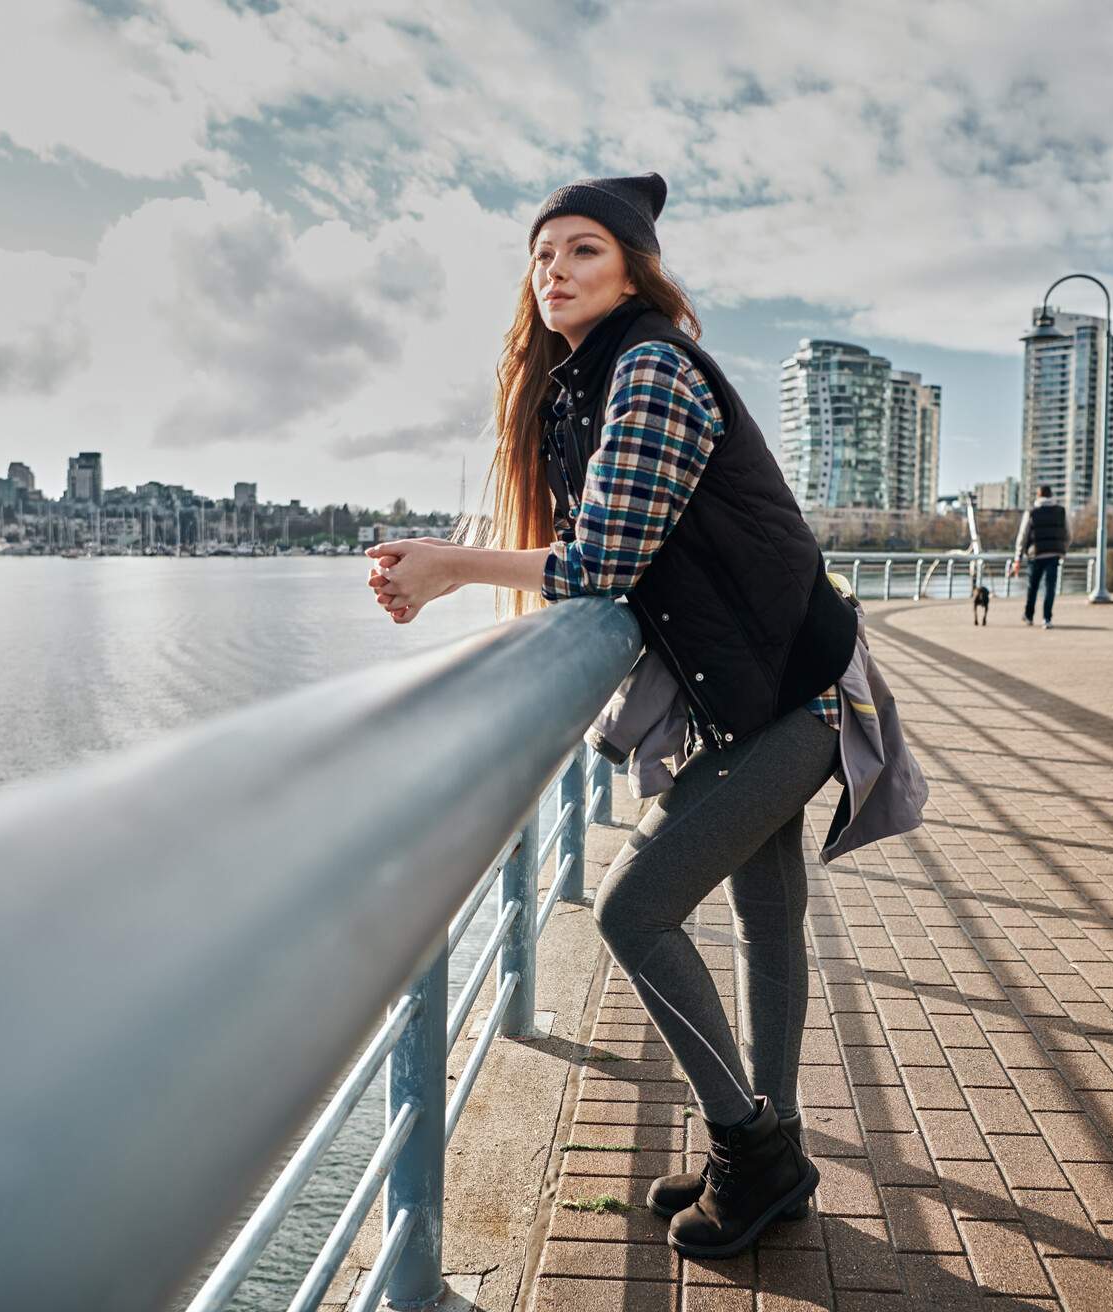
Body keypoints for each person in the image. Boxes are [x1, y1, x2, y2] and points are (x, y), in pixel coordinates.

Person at [362, 172, 857, 1259]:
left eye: (583, 251)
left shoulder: (651, 369)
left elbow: (602, 561)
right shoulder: (587, 385)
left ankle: (753, 1153)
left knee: (635, 910)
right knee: (765, 927)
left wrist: (450, 566)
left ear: (634, 267)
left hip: (802, 696)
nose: (555, 273)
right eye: (542, 257)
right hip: (765, 692)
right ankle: (772, 1155)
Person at [1010, 484, 1068, 627]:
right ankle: (1047, 619)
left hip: (1035, 555)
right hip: (1054, 554)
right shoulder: (1061, 511)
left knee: (1033, 586)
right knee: (1050, 587)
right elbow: (1068, 534)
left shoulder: (1032, 512)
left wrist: (1017, 558)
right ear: (1051, 495)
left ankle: (1029, 615)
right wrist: (1062, 549)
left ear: (1038, 495)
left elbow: (1022, 536)